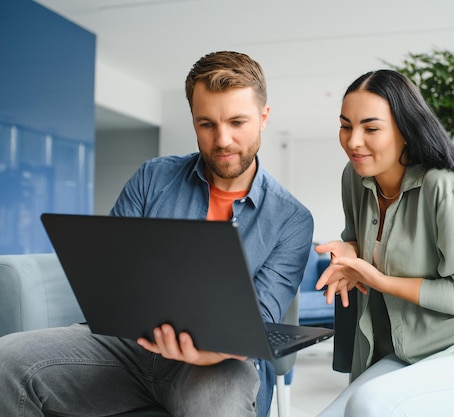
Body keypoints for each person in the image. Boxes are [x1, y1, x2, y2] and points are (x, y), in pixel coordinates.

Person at [0, 51, 313, 417]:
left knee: (218, 407)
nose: (222, 140)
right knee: (7, 361)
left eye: (237, 122)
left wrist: (210, 348)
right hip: (127, 346)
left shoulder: (292, 219)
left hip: (217, 363)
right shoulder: (153, 177)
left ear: (263, 118)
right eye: (206, 124)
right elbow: (109, 274)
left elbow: (259, 323)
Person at [315, 69, 454, 417]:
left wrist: (379, 281)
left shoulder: (443, 188)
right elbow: (361, 236)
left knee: (369, 408)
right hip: (398, 353)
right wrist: (349, 247)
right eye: (346, 125)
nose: (353, 141)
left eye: (371, 128)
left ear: (405, 131)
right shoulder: (354, 178)